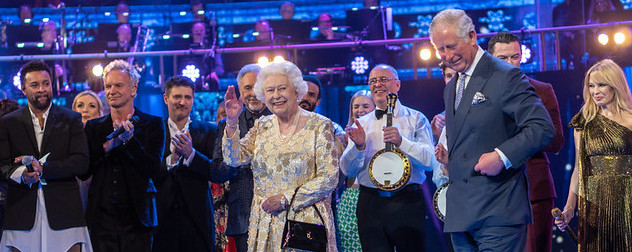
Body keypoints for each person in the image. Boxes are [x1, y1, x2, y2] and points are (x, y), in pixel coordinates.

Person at [429, 9, 554, 251]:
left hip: (498, 212)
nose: (447, 55)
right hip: (460, 217)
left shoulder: (506, 75)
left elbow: (542, 127)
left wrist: (502, 156)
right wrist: (450, 159)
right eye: (440, 49)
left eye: (452, 46)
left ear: (473, 36)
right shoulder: (451, 85)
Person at [221, 61, 339, 251]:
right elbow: (233, 158)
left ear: (296, 91)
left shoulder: (320, 125)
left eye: (282, 88)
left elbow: (329, 177)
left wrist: (285, 198)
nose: (276, 96)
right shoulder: (262, 126)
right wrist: (232, 122)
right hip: (266, 223)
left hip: (305, 221)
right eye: (269, 90)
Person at [341, 64, 436, 251]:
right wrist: (359, 147)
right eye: (373, 81)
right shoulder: (361, 124)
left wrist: (402, 142)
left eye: (383, 79)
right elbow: (347, 170)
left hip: (407, 202)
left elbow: (431, 162)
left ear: (398, 85)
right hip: (370, 203)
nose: (377, 84)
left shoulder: (416, 118)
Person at [0, 60, 92, 252]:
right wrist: (22, 175)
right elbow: (2, 165)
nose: (42, 89)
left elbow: (82, 162)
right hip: (21, 212)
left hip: (65, 214)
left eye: (46, 83)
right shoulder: (8, 123)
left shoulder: (71, 119)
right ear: (23, 89)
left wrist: (46, 169)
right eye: (35, 85)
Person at [487, 31, 565, 252]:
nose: (511, 63)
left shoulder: (541, 90)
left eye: (515, 56)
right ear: (490, 58)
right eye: (503, 58)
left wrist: (526, 131)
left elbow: (557, 141)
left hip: (534, 188)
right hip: (493, 190)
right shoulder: (480, 94)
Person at [83, 59, 165, 252]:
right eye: (108, 86)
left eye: (118, 85)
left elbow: (154, 169)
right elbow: (85, 170)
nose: (112, 90)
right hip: (101, 219)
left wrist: (130, 141)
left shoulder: (152, 124)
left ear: (133, 89)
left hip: (138, 219)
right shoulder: (94, 128)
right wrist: (108, 146)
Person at [556, 58, 632, 251]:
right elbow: (578, 170)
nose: (595, 91)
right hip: (595, 201)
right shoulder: (583, 123)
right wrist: (569, 208)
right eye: (591, 86)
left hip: (627, 198)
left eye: (601, 84)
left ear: (615, 85)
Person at [153, 75, 219, 252]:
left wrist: (191, 155)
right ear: (166, 98)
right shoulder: (153, 130)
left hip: (197, 220)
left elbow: (217, 172)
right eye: (177, 97)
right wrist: (171, 160)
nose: (182, 102)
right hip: (162, 219)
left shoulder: (209, 130)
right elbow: (146, 171)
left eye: (187, 97)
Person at [212, 64, 269, 252]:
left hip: (277, 214)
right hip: (243, 215)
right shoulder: (227, 124)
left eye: (258, 86)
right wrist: (238, 158)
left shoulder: (281, 120)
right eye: (247, 88)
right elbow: (217, 172)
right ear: (240, 92)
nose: (253, 93)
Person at [336, 90, 374, 252]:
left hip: (374, 197)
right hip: (350, 200)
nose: (360, 110)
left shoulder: (382, 133)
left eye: (366, 106)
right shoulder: (344, 136)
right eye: (356, 106)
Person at [430, 62, 457, 143]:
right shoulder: (441, 117)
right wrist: (436, 134)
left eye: (457, 75)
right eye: (449, 76)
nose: (453, 80)